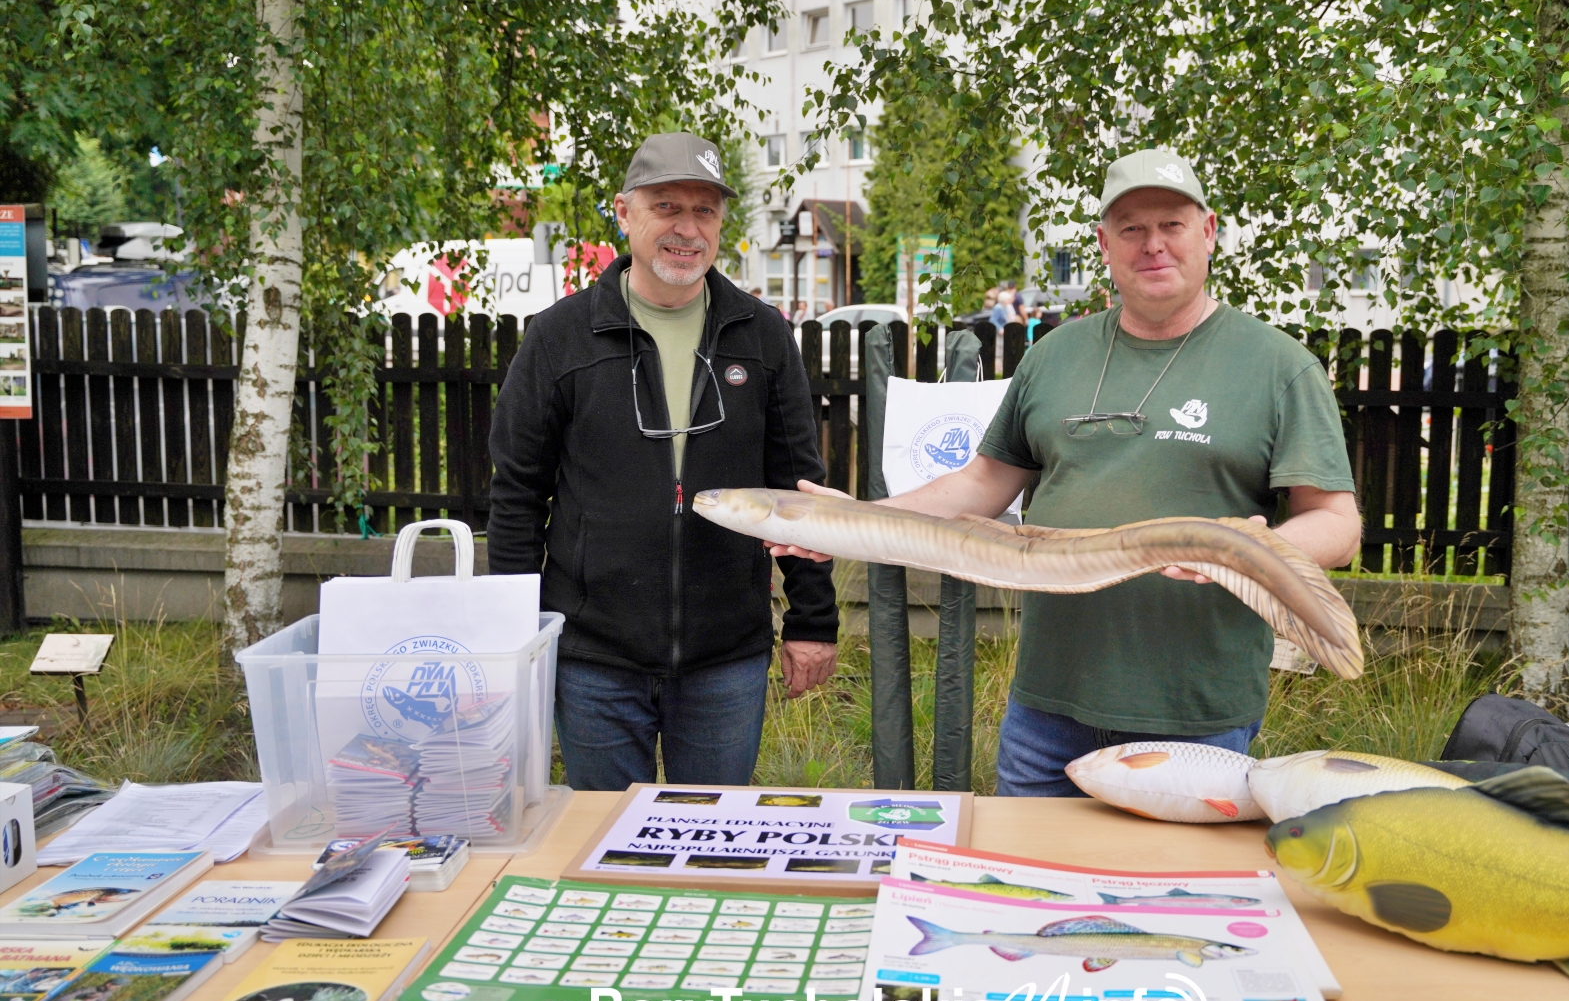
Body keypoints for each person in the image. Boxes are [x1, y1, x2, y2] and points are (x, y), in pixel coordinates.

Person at [770, 147, 1360, 795]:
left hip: (1195, 717)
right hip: (1046, 711)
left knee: (1168, 896)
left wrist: (1254, 546)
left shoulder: (1278, 366)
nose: (1153, 245)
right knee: (1028, 885)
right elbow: (980, 484)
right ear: (1104, 243)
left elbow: (1337, 524)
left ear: (1209, 231)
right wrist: (848, 522)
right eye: (1132, 228)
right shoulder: (1054, 357)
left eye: (1172, 225)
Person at [489, 132, 840, 790]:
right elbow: (517, 495)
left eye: (704, 211)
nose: (686, 229)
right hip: (594, 659)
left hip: (725, 658)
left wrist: (811, 620)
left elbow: (798, 493)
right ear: (624, 213)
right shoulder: (560, 338)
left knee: (707, 845)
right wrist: (516, 637)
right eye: (666, 207)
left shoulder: (760, 336)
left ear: (722, 224)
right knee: (607, 846)